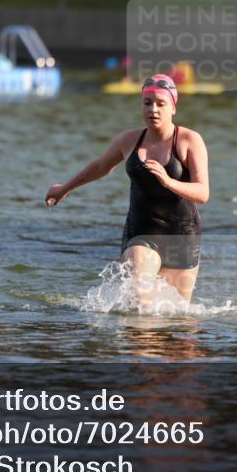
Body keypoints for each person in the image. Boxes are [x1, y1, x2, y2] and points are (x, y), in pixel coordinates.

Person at [45, 75, 208, 304]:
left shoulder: (189, 140)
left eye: (161, 104)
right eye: (147, 103)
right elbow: (101, 166)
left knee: (178, 320)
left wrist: (168, 181)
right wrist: (65, 188)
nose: (153, 109)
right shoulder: (129, 140)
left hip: (181, 235)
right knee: (141, 298)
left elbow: (203, 193)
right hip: (141, 232)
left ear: (173, 107)